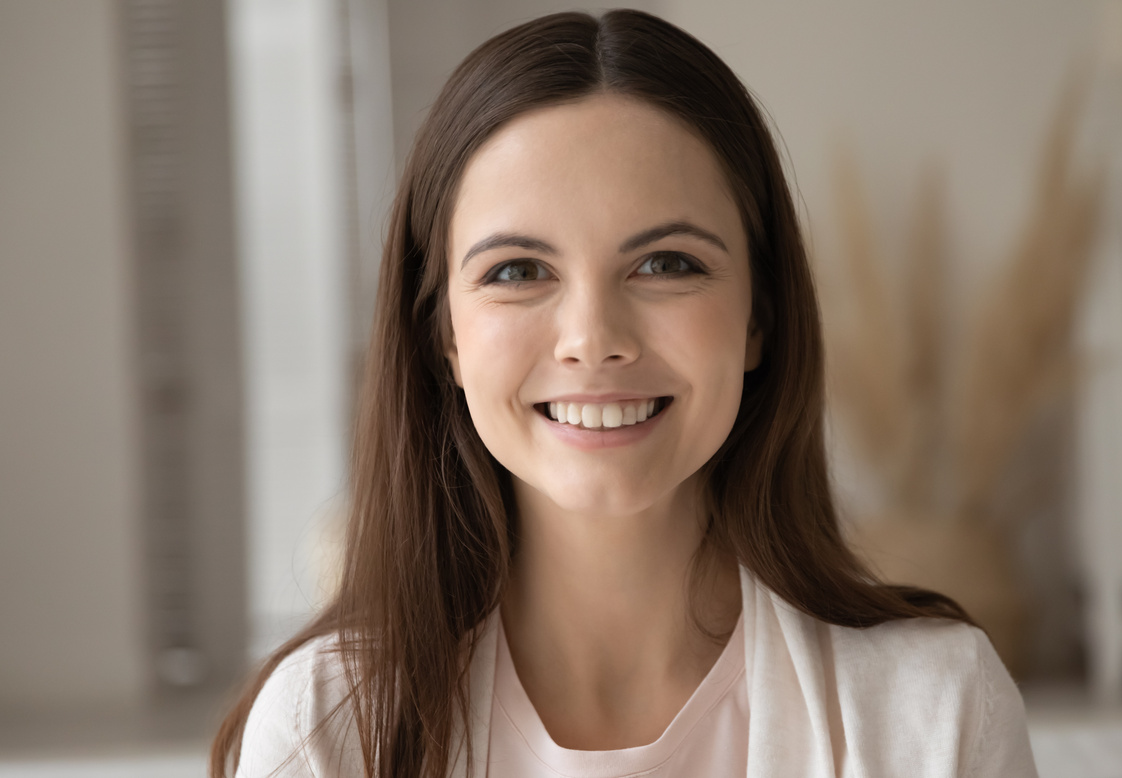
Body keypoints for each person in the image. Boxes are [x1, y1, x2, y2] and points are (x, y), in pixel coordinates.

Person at [211, 9, 1037, 778]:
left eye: (667, 264)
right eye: (518, 271)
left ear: (760, 317)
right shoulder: (326, 729)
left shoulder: (936, 713)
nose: (593, 336)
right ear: (446, 339)